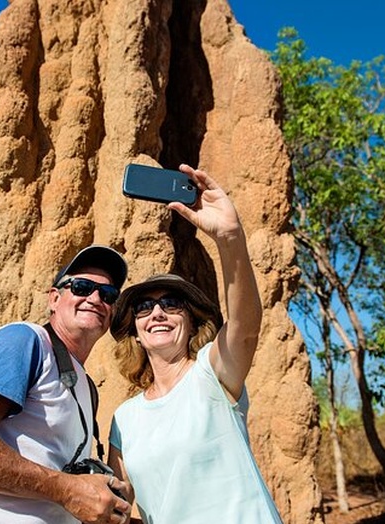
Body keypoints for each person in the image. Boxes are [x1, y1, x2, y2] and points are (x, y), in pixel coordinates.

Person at [106, 164, 284, 523]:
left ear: (190, 323)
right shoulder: (124, 419)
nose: (157, 312)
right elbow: (118, 510)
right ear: (136, 331)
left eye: (171, 304)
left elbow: (245, 327)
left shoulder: (211, 375)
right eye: (144, 307)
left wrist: (230, 239)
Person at [0, 245, 133, 524]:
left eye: (108, 295)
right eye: (82, 287)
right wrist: (67, 490)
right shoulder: (24, 341)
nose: (95, 298)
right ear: (54, 298)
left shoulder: (86, 385)